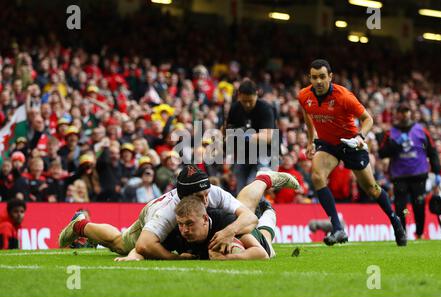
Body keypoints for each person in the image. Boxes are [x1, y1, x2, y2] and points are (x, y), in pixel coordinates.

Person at [59, 165, 299, 259]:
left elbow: (248, 217)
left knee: (240, 208)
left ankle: (265, 178)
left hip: (211, 228)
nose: (207, 199)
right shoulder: (167, 212)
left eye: (207, 194)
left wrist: (228, 232)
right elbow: (144, 245)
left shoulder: (209, 191)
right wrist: (174, 258)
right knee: (121, 243)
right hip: (149, 216)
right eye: (200, 197)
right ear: (184, 198)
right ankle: (80, 224)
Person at [298, 59, 407, 246]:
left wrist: (360, 137)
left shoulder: (344, 96)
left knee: (372, 189)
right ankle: (338, 228)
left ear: (330, 77)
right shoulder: (304, 95)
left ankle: (396, 222)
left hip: (350, 143)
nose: (318, 81)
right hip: (327, 144)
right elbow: (307, 115)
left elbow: (368, 119)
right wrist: (310, 140)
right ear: (310, 78)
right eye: (314, 77)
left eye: (322, 77)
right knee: (317, 176)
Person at [117, 196, 277, 261]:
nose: (184, 230)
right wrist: (132, 257)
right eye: (181, 224)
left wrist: (228, 259)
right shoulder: (176, 233)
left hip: (257, 239)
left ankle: (268, 210)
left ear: (205, 219)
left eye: (190, 224)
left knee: (267, 241)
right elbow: (142, 248)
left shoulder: (225, 223)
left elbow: (261, 254)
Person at [379, 104, 441, 239]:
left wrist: (437, 173)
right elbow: (382, 153)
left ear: (410, 113)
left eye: (406, 111)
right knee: (402, 208)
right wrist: (396, 144)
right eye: (401, 112)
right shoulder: (391, 133)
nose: (404, 114)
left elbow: (432, 151)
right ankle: (403, 233)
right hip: (400, 176)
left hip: (418, 175)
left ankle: (419, 233)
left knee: (418, 205)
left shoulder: (421, 131)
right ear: (397, 114)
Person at [225, 79, 277, 193]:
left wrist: (244, 134)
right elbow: (227, 132)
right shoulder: (234, 108)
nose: (247, 104)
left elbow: (268, 137)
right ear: (239, 96)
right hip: (244, 154)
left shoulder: (265, 108)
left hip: (265, 153)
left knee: (253, 187)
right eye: (244, 101)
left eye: (250, 101)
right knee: (241, 190)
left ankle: (263, 210)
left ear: (257, 94)